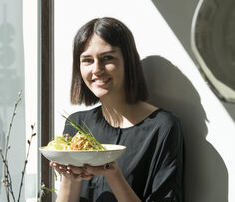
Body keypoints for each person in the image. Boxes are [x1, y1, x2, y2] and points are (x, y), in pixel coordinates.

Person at [50, 17, 183, 201]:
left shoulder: (162, 127)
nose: (97, 69)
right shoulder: (77, 124)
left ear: (128, 61)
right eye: (87, 60)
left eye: (107, 58)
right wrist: (68, 176)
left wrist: (113, 174)